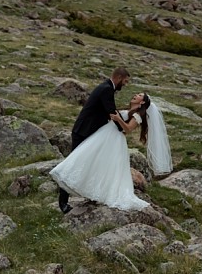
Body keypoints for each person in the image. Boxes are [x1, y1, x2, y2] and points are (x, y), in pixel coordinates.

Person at [50, 91, 171, 212]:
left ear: (142, 102)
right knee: (93, 160)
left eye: (139, 95)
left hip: (114, 139)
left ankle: (101, 192)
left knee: (106, 165)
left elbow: (128, 129)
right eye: (136, 94)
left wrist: (119, 119)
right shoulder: (129, 110)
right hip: (105, 135)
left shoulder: (138, 115)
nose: (135, 95)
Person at [57, 67, 130, 214]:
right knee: (73, 164)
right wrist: (123, 128)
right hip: (83, 131)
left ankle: (88, 193)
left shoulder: (107, 87)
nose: (125, 84)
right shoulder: (107, 89)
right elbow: (111, 111)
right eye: (125, 81)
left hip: (88, 131)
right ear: (118, 78)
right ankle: (63, 201)